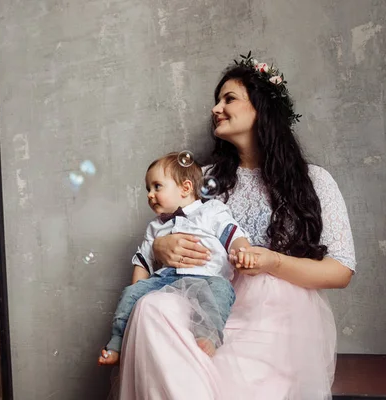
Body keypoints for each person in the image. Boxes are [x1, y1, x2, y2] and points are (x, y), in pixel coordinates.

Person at [117, 53, 356, 400]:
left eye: (228, 99)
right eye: (216, 101)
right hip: (208, 300)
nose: (216, 108)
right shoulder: (204, 180)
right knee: (150, 309)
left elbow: (341, 270)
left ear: (262, 108)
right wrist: (160, 249)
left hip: (274, 315)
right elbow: (162, 233)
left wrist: (271, 262)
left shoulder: (314, 180)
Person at [98, 153, 254, 365]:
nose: (150, 195)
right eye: (148, 189)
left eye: (157, 186)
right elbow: (143, 260)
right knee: (130, 293)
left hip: (207, 276)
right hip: (166, 279)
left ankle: (207, 336)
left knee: (221, 293)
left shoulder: (210, 210)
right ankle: (118, 342)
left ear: (185, 188)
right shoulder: (155, 226)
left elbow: (231, 233)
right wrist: (137, 290)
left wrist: (243, 251)